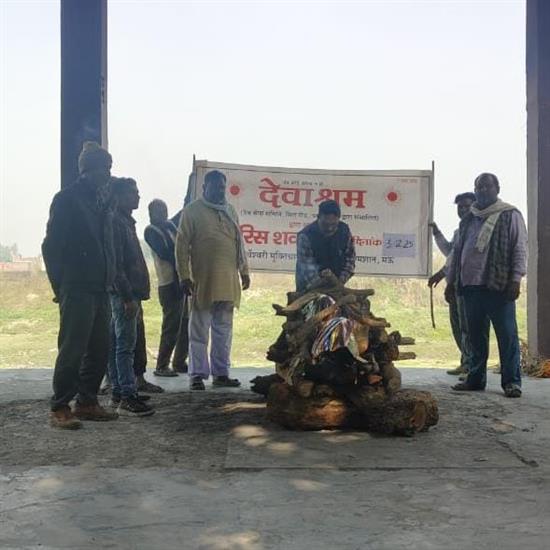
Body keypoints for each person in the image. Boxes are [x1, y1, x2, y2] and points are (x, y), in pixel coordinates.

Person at [42, 141, 119, 429]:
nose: (108, 174)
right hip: (77, 287)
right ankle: (60, 407)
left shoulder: (103, 202)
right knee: (73, 349)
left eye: (109, 168)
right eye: (104, 168)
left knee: (100, 349)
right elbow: (51, 247)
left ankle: (87, 402)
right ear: (87, 170)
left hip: (101, 287)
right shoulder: (67, 200)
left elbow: (108, 245)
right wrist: (60, 287)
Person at [445, 173, 527, 398]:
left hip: (498, 286)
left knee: (507, 336)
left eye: (487, 187)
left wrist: (516, 279)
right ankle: (475, 378)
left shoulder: (510, 215)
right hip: (470, 287)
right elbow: (456, 253)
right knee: (475, 337)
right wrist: (450, 282)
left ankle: (512, 382)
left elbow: (519, 248)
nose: (482, 191)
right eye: (478, 187)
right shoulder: (468, 219)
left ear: (497, 189)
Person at [175, 170, 250, 390]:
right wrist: (184, 276)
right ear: (204, 187)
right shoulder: (192, 211)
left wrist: (244, 271)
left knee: (223, 331)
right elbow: (181, 246)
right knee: (199, 331)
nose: (220, 191)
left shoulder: (230, 210)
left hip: (228, 282)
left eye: (222, 187)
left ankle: (221, 374)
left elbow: (239, 243)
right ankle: (197, 376)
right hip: (202, 281)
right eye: (216, 186)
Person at [108, 177, 155, 416]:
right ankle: (127, 395)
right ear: (118, 196)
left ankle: (119, 391)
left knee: (118, 343)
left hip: (127, 292)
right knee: (125, 346)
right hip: (124, 294)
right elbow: (117, 265)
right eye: (132, 193)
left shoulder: (125, 222)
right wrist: (127, 297)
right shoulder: (117, 223)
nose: (137, 196)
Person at [428, 192, 475, 377]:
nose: (463, 210)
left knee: (467, 328)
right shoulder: (459, 231)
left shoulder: (477, 230)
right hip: (454, 285)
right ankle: (466, 361)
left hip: (469, 286)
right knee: (458, 326)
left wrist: (442, 274)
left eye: (467, 206)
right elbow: (451, 254)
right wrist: (437, 232)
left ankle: (471, 365)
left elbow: (462, 259)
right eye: (460, 207)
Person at [144, 200, 188, 377]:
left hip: (181, 281)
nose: (164, 214)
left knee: (184, 324)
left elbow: (181, 213)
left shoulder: (169, 226)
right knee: (171, 326)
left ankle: (179, 362)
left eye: (165, 210)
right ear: (151, 214)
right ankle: (162, 365)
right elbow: (165, 252)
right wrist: (182, 254)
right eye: (160, 211)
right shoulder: (151, 231)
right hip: (168, 283)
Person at [295, 200, 356, 292]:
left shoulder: (344, 231)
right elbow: (307, 268)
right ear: (318, 217)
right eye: (325, 224)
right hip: (309, 286)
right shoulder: (305, 236)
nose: (329, 228)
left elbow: (350, 259)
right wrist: (324, 286)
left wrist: (339, 282)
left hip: (337, 284)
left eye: (333, 224)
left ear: (338, 219)